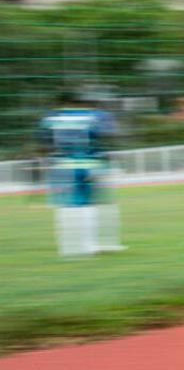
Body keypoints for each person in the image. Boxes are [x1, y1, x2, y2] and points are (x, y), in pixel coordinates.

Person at [40, 90, 125, 256]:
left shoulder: (50, 118)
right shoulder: (96, 116)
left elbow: (45, 142)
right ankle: (89, 246)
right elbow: (107, 136)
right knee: (89, 205)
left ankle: (67, 247)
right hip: (89, 165)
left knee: (65, 206)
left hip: (61, 166)